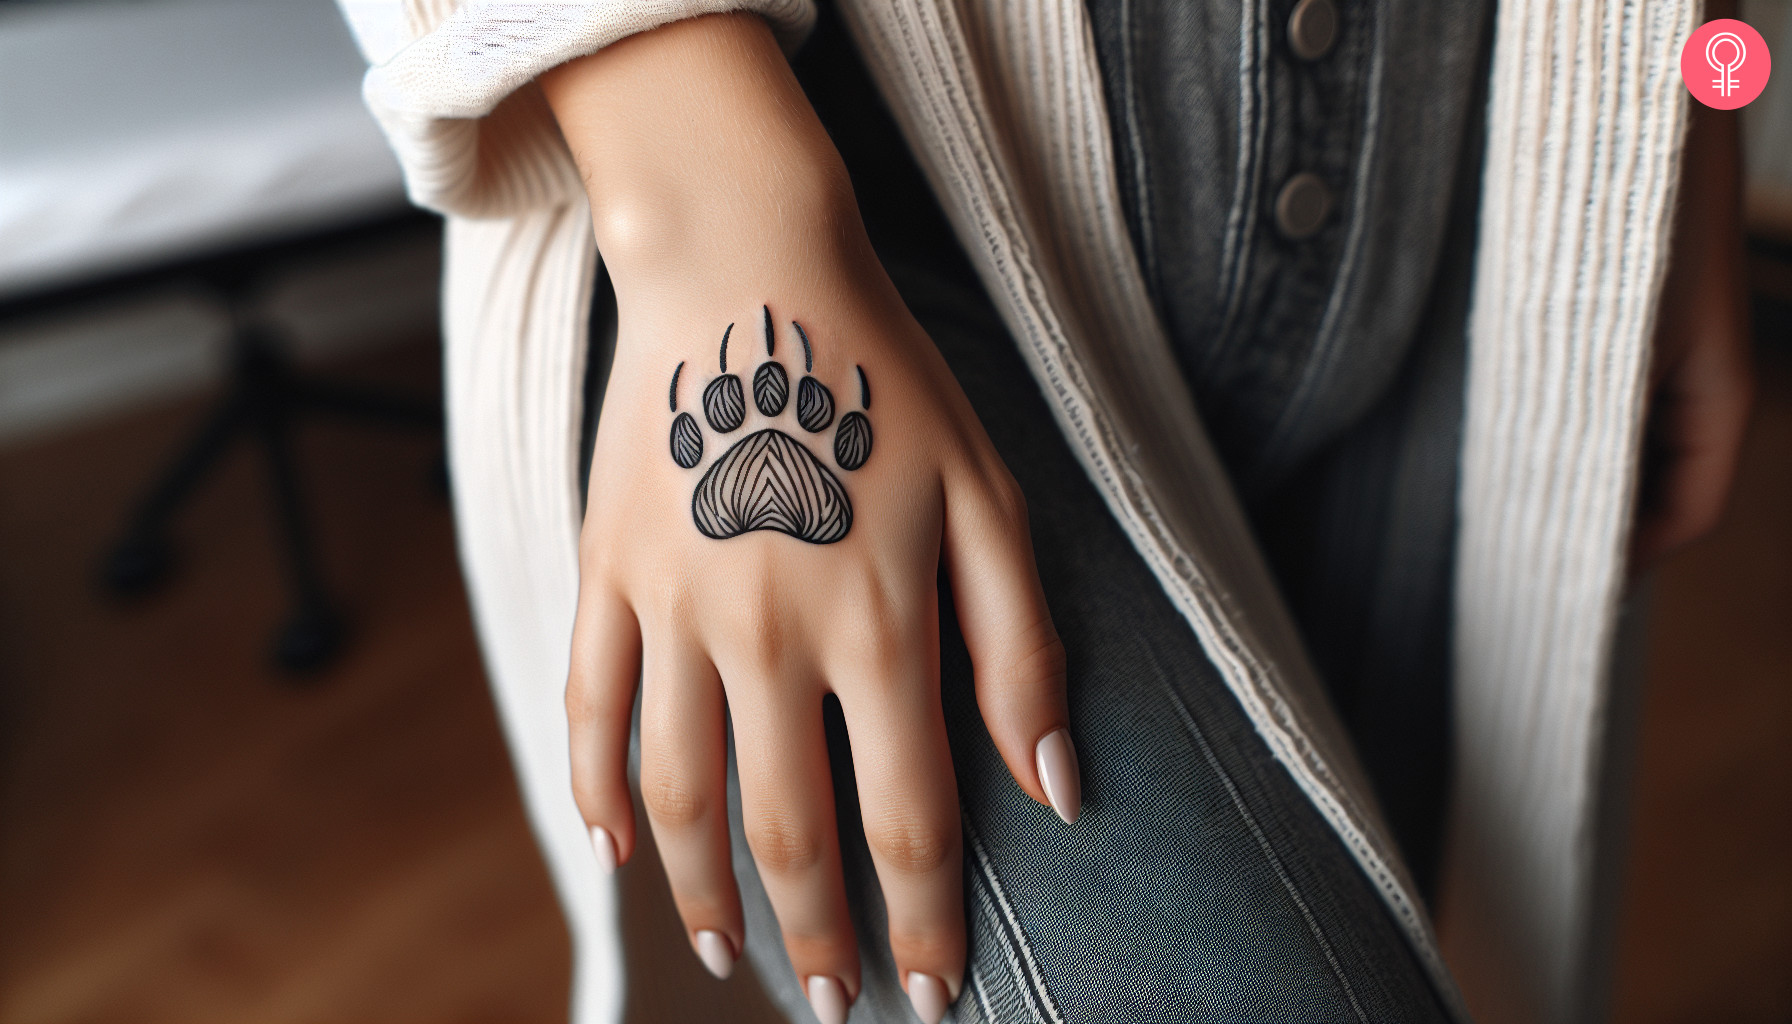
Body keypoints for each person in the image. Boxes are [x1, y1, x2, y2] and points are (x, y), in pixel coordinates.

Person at [336, 1, 1752, 1022]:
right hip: (851, 238)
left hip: (1474, 171)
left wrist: (1698, 91)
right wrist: (708, 215)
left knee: (1445, 929)